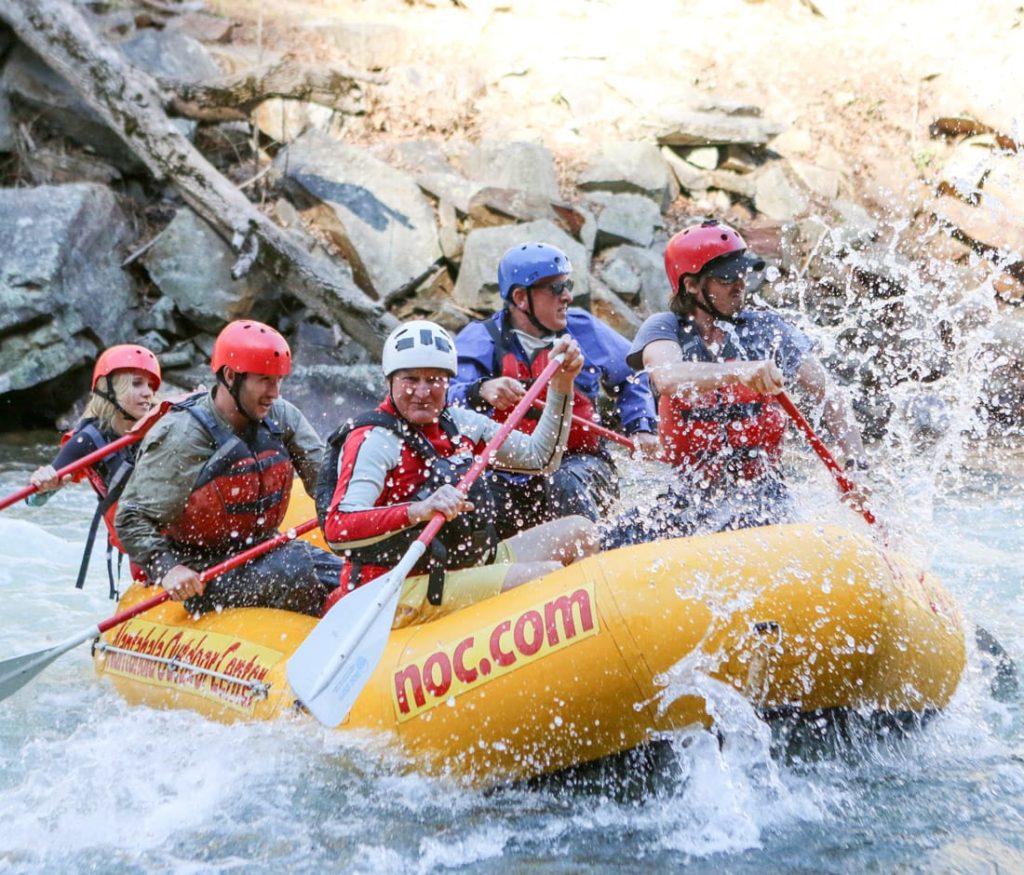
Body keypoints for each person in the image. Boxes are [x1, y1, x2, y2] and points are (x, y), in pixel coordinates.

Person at [317, 320, 598, 629]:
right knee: (547, 575)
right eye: (410, 379)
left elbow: (541, 458)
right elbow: (338, 529)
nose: (422, 392)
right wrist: (418, 510)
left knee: (582, 533)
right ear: (390, 381)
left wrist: (561, 385)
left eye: (434, 380)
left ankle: (593, 637)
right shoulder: (374, 440)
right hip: (394, 588)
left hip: (463, 563)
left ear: (448, 382)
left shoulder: (460, 424)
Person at [608, 219, 869, 544]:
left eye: (742, 273)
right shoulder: (665, 328)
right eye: (726, 277)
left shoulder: (766, 330)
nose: (740, 285)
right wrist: (739, 372)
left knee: (743, 522)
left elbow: (829, 394)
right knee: (610, 540)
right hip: (690, 494)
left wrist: (855, 465)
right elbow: (667, 376)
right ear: (692, 285)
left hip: (763, 494)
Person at [115, 320, 341, 617]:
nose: (274, 393)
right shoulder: (183, 436)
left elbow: (328, 484)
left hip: (265, 549)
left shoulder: (282, 416)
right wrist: (167, 568)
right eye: (264, 380)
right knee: (295, 567)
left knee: (349, 575)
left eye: (278, 380)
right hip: (203, 571)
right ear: (231, 376)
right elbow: (130, 517)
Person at [449, 242, 659, 537]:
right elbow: (444, 396)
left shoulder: (584, 329)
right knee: (473, 492)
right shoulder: (482, 339)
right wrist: (479, 390)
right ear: (521, 298)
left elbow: (633, 375)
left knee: (563, 482)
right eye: (556, 288)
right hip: (507, 469)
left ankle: (591, 553)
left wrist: (641, 426)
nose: (567, 296)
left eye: (567, 285)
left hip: (579, 462)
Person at [28, 344, 161, 594]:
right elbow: (33, 501)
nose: (148, 393)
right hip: (143, 546)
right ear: (109, 390)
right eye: (136, 384)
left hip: (178, 527)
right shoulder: (87, 441)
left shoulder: (164, 424)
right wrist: (43, 484)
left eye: (150, 386)